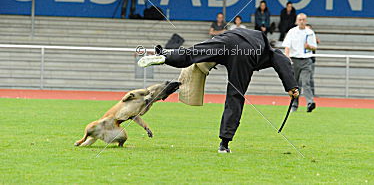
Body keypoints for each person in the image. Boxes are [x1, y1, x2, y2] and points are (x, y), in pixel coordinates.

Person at [137, 28, 299, 153]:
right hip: (246, 51)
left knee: (192, 54)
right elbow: (284, 62)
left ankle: (165, 56)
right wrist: (291, 87)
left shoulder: (252, 35)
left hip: (226, 38)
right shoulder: (270, 52)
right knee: (235, 95)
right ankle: (224, 143)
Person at [282, 13, 317, 113]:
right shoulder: (292, 32)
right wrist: (287, 57)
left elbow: (314, 47)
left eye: (303, 20)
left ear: (306, 21)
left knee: (306, 82)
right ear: (297, 21)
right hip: (294, 60)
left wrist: (309, 47)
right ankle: (294, 104)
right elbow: (287, 46)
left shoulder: (310, 32)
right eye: (300, 20)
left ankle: (310, 102)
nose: (301, 21)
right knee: (295, 85)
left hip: (306, 60)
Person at [306, 24, 320, 97]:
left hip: (311, 59)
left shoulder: (312, 37)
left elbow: (317, 42)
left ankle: (312, 93)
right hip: (302, 59)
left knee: (310, 77)